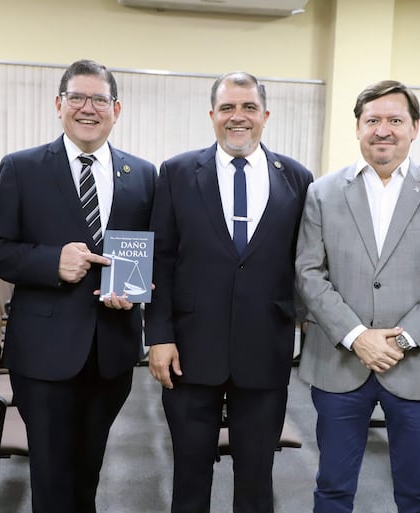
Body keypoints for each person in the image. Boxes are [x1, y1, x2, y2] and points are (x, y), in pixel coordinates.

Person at [0, 59, 156, 513]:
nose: (88, 108)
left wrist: (139, 289)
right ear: (59, 104)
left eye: (99, 99)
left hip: (113, 350)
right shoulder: (22, 168)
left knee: (88, 471)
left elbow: (148, 253)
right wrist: (50, 263)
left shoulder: (142, 174)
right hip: (43, 353)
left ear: (116, 109)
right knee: (52, 476)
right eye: (77, 97)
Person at [295, 80, 420, 513]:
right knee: (332, 489)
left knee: (417, 494)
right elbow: (309, 272)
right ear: (357, 128)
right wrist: (358, 336)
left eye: (395, 120)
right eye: (372, 120)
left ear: (414, 128)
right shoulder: (323, 191)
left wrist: (402, 338)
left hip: (415, 364)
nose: (383, 130)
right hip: (340, 365)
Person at [145, 71, 313, 513]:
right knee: (190, 475)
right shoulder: (178, 172)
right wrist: (158, 337)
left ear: (265, 115)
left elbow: (307, 262)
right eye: (227, 108)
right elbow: (161, 258)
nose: (238, 117)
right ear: (212, 116)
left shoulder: (297, 178)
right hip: (189, 351)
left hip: (265, 349)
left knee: (257, 479)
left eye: (248, 108)